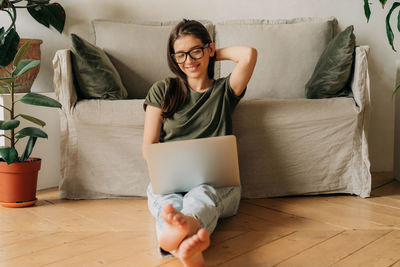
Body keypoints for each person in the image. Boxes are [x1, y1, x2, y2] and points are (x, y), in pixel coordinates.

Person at [142, 19, 257, 267]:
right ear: (173, 58)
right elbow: (148, 146)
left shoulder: (225, 90)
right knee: (168, 204)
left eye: (195, 51)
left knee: (202, 195)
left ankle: (179, 233)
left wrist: (211, 54)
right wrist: (201, 52)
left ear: (209, 49)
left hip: (217, 184)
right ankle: (185, 246)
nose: (189, 61)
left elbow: (248, 55)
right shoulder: (163, 89)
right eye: (180, 55)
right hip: (170, 181)